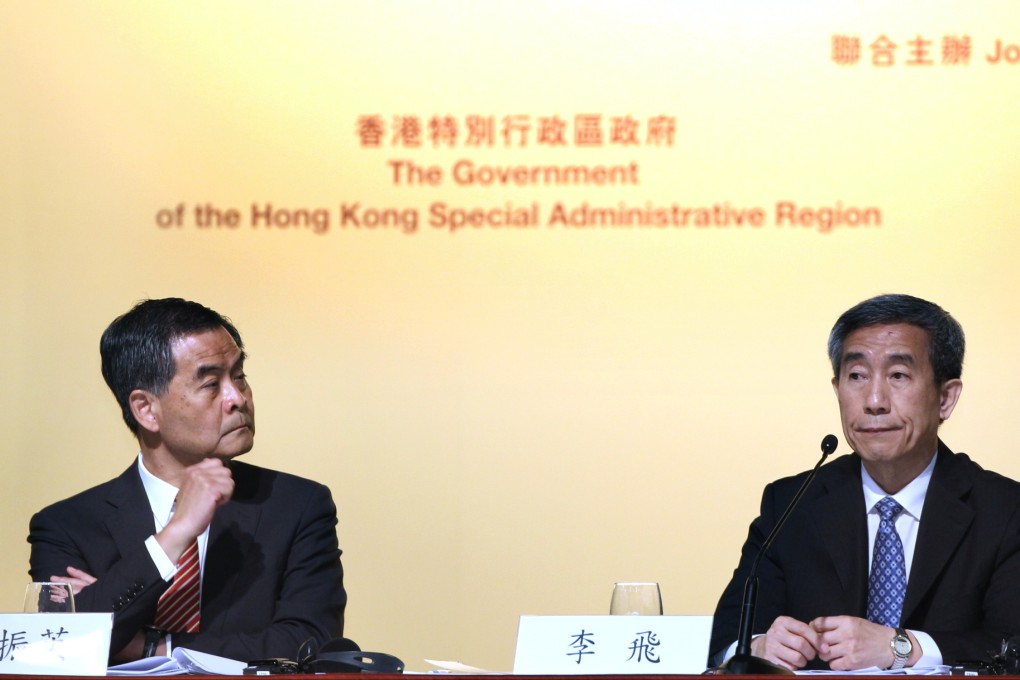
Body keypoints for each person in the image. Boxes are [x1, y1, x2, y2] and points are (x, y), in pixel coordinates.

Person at [709, 293, 1020, 671]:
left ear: (946, 398)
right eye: (856, 376)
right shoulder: (791, 504)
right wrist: (757, 647)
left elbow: (1013, 643)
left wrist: (903, 647)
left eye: (898, 375)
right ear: (836, 388)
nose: (874, 400)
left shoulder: (1004, 510)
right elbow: (724, 639)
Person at [28, 298, 346, 663]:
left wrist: (154, 647)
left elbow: (307, 644)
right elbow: (63, 643)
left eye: (239, 376)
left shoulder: (297, 505)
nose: (237, 398)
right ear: (146, 409)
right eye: (211, 384)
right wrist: (174, 535)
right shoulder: (65, 526)